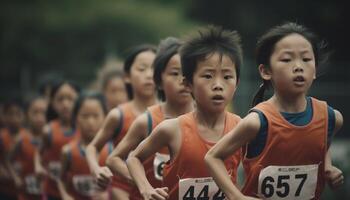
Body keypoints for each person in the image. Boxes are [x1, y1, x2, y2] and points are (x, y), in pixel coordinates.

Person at [205, 22, 344, 200]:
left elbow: (319, 143)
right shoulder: (256, 122)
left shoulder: (332, 118)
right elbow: (212, 157)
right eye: (287, 59)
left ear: (315, 70)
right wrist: (236, 196)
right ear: (266, 71)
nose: (298, 66)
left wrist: (328, 167)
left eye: (306, 59)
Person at [126, 26, 243, 200]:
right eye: (208, 76)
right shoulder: (172, 129)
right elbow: (133, 157)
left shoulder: (241, 127)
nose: (218, 85)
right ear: (188, 84)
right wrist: (146, 188)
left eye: (227, 77)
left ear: (237, 83)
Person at [106, 37, 193, 198]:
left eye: (188, 73)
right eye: (175, 73)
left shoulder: (206, 119)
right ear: (158, 81)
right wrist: (143, 184)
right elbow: (113, 159)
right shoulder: (146, 121)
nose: (183, 80)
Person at [86, 44, 157, 199]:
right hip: (124, 191)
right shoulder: (118, 115)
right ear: (127, 76)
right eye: (142, 69)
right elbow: (93, 147)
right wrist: (96, 169)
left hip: (161, 190)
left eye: (154, 68)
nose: (149, 75)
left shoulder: (171, 114)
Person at [57, 92, 113, 200]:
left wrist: (109, 195)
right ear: (76, 118)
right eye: (85, 116)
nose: (90, 122)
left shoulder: (112, 151)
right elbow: (60, 179)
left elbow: (121, 184)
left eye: (95, 116)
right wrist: (65, 195)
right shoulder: (68, 152)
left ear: (105, 117)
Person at [34, 80, 80, 200]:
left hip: (76, 194)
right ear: (53, 103)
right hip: (52, 193)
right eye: (60, 99)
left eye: (70, 99)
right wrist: (38, 166)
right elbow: (38, 153)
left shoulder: (84, 130)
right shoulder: (48, 130)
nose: (65, 104)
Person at [7, 96, 48, 200]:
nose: (39, 117)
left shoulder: (51, 138)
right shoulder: (21, 139)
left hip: (48, 193)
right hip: (25, 195)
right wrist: (16, 178)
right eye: (35, 113)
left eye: (43, 113)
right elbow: (7, 161)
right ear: (26, 115)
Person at [0, 98, 26, 199]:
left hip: (24, 190)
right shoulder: (1, 137)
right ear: (4, 116)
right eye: (10, 114)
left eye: (18, 114)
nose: (14, 118)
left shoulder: (27, 136)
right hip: (5, 190)